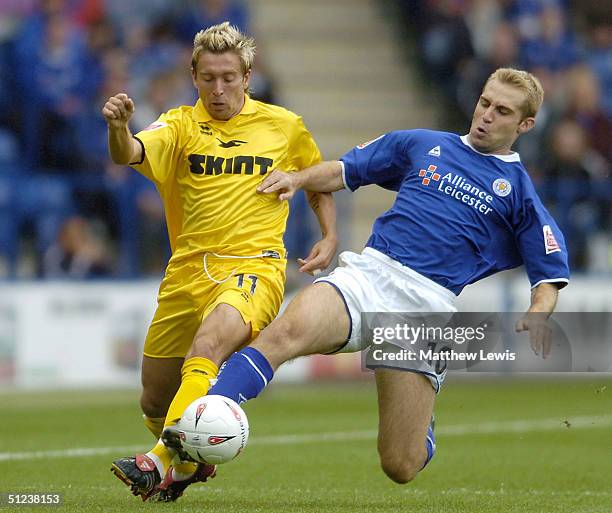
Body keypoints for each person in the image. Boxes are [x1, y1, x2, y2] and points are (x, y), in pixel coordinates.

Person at [172, 67, 570, 486]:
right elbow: (344, 171)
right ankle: (203, 416)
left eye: (502, 111)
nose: (487, 115)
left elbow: (548, 272)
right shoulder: (422, 143)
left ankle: (423, 424)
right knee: (283, 334)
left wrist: (540, 312)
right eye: (485, 102)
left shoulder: (519, 192)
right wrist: (297, 177)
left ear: (525, 124)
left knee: (400, 465)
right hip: (367, 277)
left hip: (423, 309)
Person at [102, 22, 337, 501]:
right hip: (187, 271)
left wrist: (330, 236)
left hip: (255, 267)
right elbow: (130, 153)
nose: (219, 88)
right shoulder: (178, 126)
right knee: (153, 397)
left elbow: (316, 178)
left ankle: (159, 461)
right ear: (193, 75)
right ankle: (190, 463)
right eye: (208, 77)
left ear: (247, 76)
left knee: (207, 347)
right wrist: (117, 127)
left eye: (229, 77)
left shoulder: (283, 125)